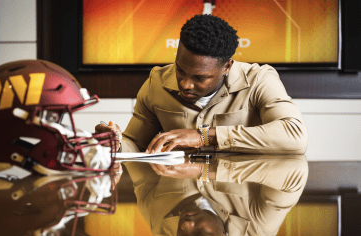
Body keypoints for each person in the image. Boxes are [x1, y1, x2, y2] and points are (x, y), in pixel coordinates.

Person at [96, 14, 308, 178]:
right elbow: (136, 143)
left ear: (227, 66)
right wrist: (115, 144)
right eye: (180, 70)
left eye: (200, 77)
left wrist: (204, 136)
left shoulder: (259, 80)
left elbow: (295, 136)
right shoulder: (156, 82)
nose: (185, 84)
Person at [124, 154, 309, 236]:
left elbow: (135, 158)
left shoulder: (159, 224)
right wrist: (205, 170)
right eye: (200, 234)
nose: (186, 226)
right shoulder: (258, 226)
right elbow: (296, 170)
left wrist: (114, 147)